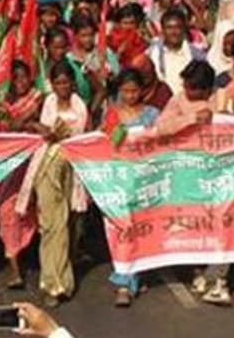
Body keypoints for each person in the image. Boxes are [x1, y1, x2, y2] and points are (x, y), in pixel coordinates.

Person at [17, 61, 89, 307]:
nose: (62, 87)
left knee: (64, 225)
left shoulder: (79, 106)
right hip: (46, 167)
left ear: (72, 83)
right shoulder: (48, 102)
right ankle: (52, 283)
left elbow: (75, 135)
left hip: (69, 168)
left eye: (66, 82)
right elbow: (41, 129)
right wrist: (40, 127)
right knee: (51, 225)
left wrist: (52, 131)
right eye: (57, 83)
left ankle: (63, 280)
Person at [100, 68, 160, 307]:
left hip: (144, 181)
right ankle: (124, 283)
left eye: (134, 91)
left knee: (140, 229)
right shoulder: (112, 114)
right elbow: (104, 144)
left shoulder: (152, 114)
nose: (130, 96)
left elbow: (162, 141)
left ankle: (136, 274)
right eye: (125, 91)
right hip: (119, 181)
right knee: (122, 229)